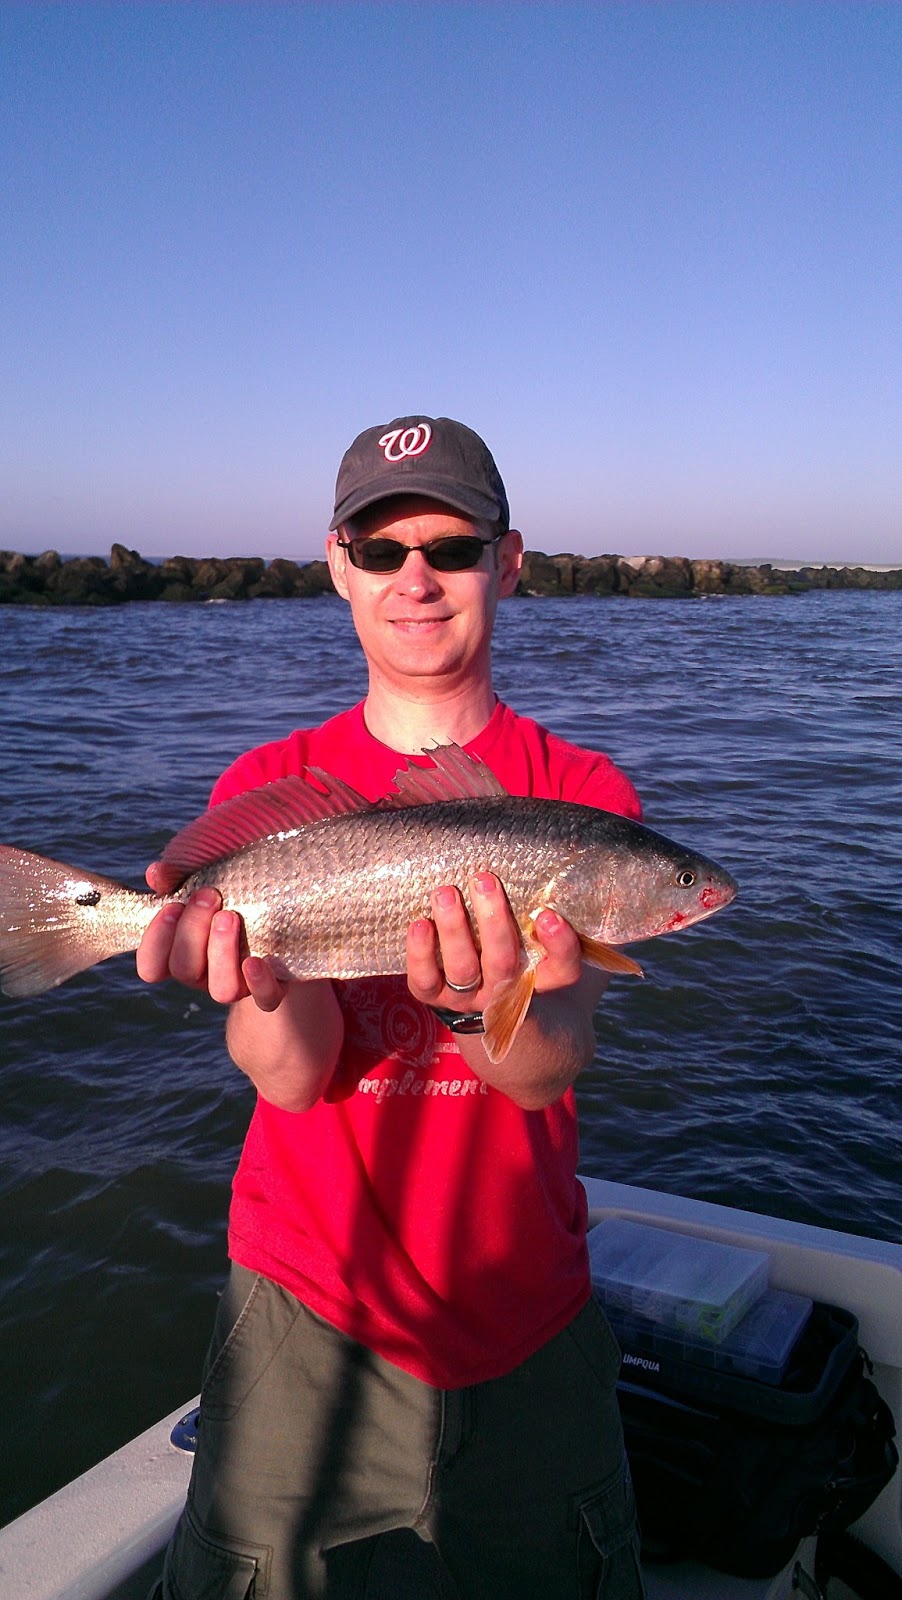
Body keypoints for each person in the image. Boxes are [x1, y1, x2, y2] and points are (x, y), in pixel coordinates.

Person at [138, 415, 647, 1600]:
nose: (415, 579)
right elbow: (287, 1076)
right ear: (336, 565)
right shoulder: (268, 789)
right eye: (380, 552)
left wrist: (483, 1004)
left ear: (507, 562)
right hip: (305, 1304)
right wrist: (263, 978)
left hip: (523, 1302)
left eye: (452, 548)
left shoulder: (578, 794)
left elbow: (545, 1068)